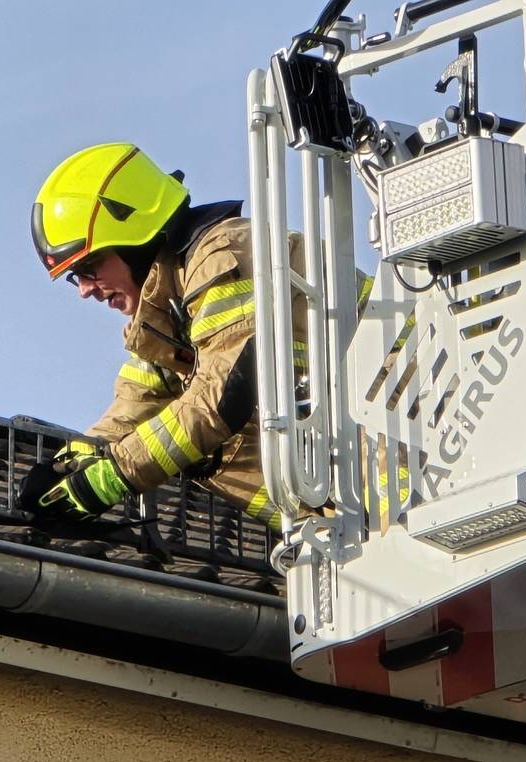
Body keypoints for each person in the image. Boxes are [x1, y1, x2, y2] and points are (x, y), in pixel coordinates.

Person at [20, 142, 338, 531]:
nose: (86, 288)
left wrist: (115, 477)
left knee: (203, 437)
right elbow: (138, 404)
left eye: (89, 266)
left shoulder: (221, 256)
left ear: (135, 237)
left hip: (406, 461)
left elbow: (222, 395)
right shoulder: (167, 310)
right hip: (359, 500)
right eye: (76, 277)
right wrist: (71, 465)